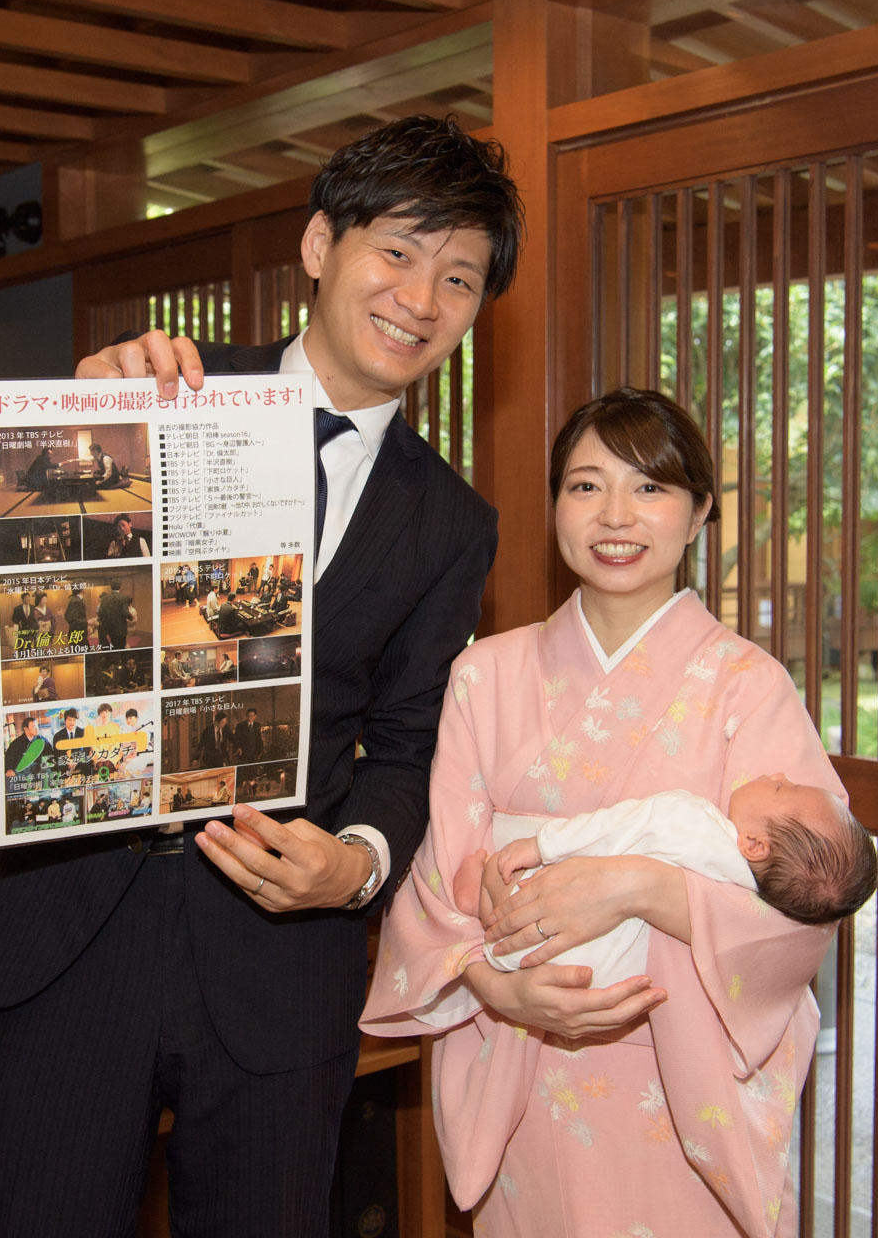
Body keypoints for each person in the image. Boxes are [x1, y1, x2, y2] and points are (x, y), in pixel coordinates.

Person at [0, 114, 518, 1237]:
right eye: (396, 251)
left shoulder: (450, 522)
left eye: (460, 278)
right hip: (71, 925)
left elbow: (404, 743)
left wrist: (358, 863)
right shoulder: (164, 388)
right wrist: (72, 425)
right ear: (318, 246)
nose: (420, 299)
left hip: (278, 955)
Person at [362, 388, 848, 1236]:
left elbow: (807, 903)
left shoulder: (748, 686)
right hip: (524, 1062)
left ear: (698, 514)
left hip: (683, 1084)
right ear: (554, 505)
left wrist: (636, 888)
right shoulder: (487, 675)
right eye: (586, 486)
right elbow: (439, 883)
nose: (615, 514)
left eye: (649, 488)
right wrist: (493, 988)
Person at [475, 774, 875, 985]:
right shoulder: (747, 894)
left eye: (780, 787)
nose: (778, 772)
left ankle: (477, 893)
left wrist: (542, 844)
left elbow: (609, 827)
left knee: (500, 879)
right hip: (603, 973)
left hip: (546, 933)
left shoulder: (690, 818)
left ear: (754, 844)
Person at [96, 580, 134, 650]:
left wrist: (105, 621)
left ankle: (114, 659)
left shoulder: (104, 599)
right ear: (120, 587)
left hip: (109, 628)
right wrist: (131, 617)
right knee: (121, 647)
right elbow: (125, 612)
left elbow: (100, 612)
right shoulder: (123, 598)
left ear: (111, 587)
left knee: (112, 646)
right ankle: (120, 660)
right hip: (120, 628)